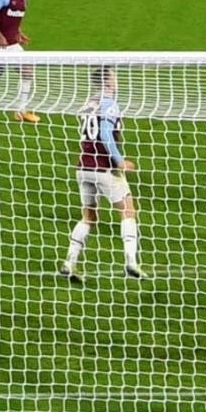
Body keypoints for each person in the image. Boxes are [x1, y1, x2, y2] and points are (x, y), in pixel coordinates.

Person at [60, 66, 144, 282]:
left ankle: (69, 262)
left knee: (89, 216)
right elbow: (106, 134)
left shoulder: (88, 104)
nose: (116, 81)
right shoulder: (109, 105)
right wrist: (119, 161)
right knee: (127, 210)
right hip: (104, 168)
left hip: (82, 168)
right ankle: (131, 262)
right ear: (107, 82)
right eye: (114, 77)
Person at [0, 0, 39, 124]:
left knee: (27, 69)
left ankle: (21, 110)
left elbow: (15, 20)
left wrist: (18, 32)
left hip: (12, 45)